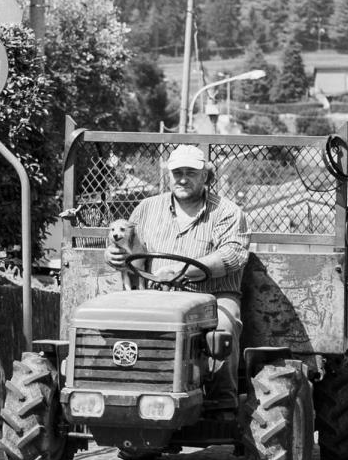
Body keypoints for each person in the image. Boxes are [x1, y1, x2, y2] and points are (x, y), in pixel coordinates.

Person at [104, 143, 249, 374]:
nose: (182, 179)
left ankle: (221, 405)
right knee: (109, 321)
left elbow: (232, 255)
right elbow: (125, 243)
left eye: (190, 173)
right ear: (169, 175)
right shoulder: (146, 208)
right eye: (177, 173)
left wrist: (182, 270)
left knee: (222, 330)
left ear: (206, 176)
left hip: (210, 297)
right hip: (153, 292)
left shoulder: (227, 212)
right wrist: (112, 254)